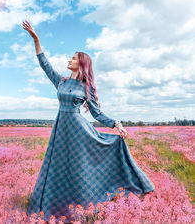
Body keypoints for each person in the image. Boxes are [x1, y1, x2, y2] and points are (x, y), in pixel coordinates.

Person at [22, 20, 155, 223]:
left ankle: (84, 207)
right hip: (61, 130)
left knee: (79, 169)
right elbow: (44, 64)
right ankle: (56, 207)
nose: (69, 59)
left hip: (79, 131)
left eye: (73, 58)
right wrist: (36, 39)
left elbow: (97, 114)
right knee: (59, 168)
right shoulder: (61, 81)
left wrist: (116, 124)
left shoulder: (86, 88)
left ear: (81, 63)